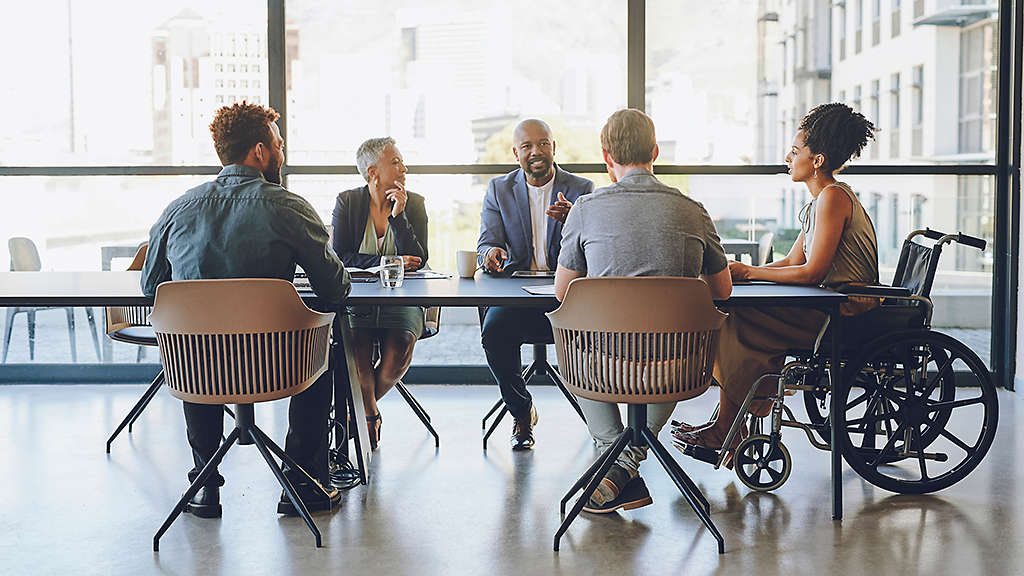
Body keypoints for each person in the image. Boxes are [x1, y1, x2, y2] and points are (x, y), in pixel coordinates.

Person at [142, 102, 350, 519]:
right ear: (259, 151)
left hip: (198, 370)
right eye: (278, 144)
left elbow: (152, 287)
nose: (282, 152)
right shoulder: (288, 207)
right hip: (278, 367)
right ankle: (303, 484)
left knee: (194, 339)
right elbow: (335, 288)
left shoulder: (178, 209)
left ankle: (203, 484)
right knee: (322, 341)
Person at [673, 102, 879, 462]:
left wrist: (750, 273)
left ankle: (728, 428)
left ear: (817, 160)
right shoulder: (820, 201)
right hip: (829, 304)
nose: (788, 156)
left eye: (796, 151)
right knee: (736, 312)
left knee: (736, 318)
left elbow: (813, 272)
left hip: (846, 311)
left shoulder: (833, 197)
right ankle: (729, 425)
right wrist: (745, 271)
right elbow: (790, 262)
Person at [554, 109, 732, 514]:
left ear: (606, 158)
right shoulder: (693, 210)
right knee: (675, 341)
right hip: (676, 368)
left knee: (570, 327)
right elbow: (722, 290)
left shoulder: (584, 209)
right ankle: (625, 465)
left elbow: (563, 293)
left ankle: (613, 458)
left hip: (600, 368)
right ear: (654, 152)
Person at [477, 119, 595, 450]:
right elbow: (486, 243)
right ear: (516, 153)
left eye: (543, 144)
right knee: (494, 332)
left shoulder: (582, 189)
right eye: (527, 146)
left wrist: (575, 219)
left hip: (567, 294)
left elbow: (598, 247)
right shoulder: (499, 189)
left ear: (554, 147)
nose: (536, 152)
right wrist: (491, 253)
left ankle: (600, 418)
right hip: (518, 294)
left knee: (597, 331)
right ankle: (521, 411)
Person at [331, 137, 427, 450]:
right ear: (373, 172)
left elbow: (419, 259)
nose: (405, 168)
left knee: (397, 353)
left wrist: (399, 216)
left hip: (402, 300)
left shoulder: (415, 203)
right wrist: (388, 262)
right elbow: (340, 256)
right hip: (357, 300)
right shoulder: (348, 202)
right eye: (396, 162)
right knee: (356, 352)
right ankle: (369, 414)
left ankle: (352, 412)